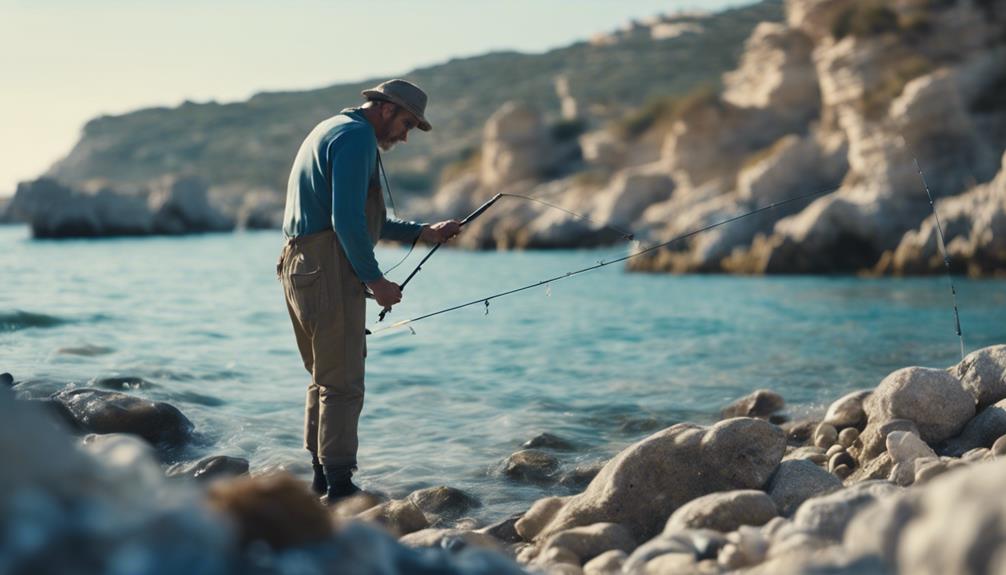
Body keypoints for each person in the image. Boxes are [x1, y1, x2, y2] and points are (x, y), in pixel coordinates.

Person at [277, 79, 460, 502]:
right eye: (407, 123)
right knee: (343, 382)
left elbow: (359, 218)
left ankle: (321, 480)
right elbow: (346, 221)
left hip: (299, 264)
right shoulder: (358, 138)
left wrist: (424, 231)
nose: (406, 134)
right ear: (386, 109)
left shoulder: (333, 128)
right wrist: (375, 281)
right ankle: (341, 491)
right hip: (327, 264)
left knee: (325, 377)